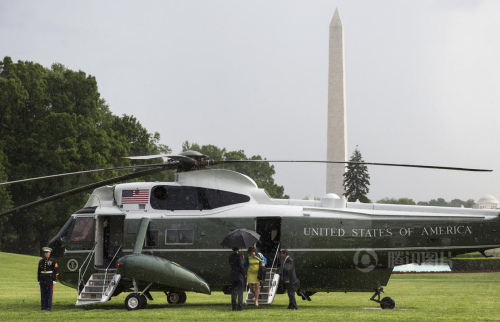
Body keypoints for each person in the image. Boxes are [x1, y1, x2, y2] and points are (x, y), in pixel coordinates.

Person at [37, 247, 59, 311]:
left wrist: (55, 279)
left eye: (47, 253)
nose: (45, 254)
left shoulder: (53, 261)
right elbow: (39, 271)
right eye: (44, 253)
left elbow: (56, 271)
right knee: (43, 294)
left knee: (49, 294)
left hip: (49, 279)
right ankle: (43, 307)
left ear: (49, 253)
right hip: (43, 279)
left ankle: (49, 307)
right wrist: (38, 280)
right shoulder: (41, 261)